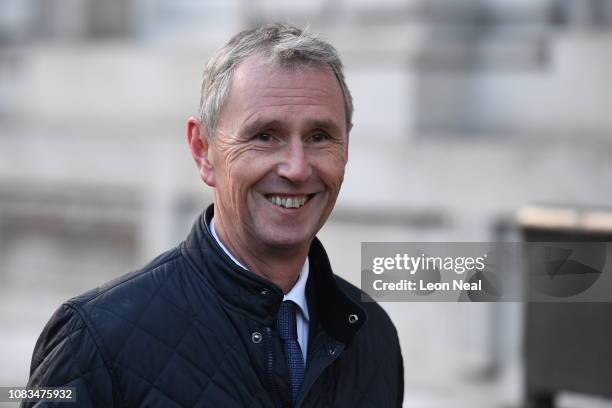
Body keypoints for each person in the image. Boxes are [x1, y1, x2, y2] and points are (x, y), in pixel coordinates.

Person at [22, 23, 404, 407]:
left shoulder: (373, 338)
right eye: (265, 136)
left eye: (319, 136)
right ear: (203, 149)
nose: (297, 168)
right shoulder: (93, 338)